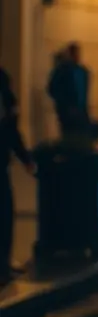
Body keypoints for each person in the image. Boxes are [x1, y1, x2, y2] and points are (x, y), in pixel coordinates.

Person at [1, 67, 35, 285]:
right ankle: (3, 267)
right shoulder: (4, 85)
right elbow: (11, 130)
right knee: (4, 214)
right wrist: (26, 159)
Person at [47, 42, 90, 137]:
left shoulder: (83, 71)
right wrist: (63, 103)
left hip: (81, 110)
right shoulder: (62, 71)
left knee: (80, 134)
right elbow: (52, 89)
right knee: (68, 134)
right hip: (67, 110)